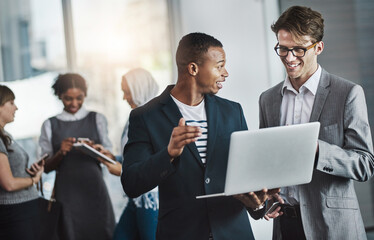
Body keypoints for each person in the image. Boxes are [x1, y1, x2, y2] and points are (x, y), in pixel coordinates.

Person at [120, 32, 279, 240]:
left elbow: (246, 175)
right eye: (219, 66)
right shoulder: (145, 117)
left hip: (234, 233)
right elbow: (131, 183)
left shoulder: (232, 112)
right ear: (193, 68)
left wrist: (259, 206)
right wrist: (168, 154)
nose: (226, 73)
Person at [260, 6, 374, 240]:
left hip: (334, 227)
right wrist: (266, 195)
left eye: (299, 49)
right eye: (282, 49)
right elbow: (267, 162)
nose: (289, 58)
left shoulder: (348, 93)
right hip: (285, 225)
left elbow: (365, 164)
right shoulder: (268, 99)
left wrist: (317, 149)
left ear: (318, 47)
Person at [39, 73, 115, 239]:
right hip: (67, 194)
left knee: (102, 232)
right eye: (68, 98)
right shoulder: (49, 125)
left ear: (85, 95)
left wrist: (97, 150)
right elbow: (45, 168)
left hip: (95, 190)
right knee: (70, 233)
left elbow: (112, 160)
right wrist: (61, 152)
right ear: (59, 96)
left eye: (79, 98)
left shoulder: (97, 119)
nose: (74, 103)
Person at [98, 68, 160, 240]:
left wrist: (123, 171)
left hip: (151, 199)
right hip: (136, 197)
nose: (124, 98)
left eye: (127, 92)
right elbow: (136, 155)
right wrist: (112, 157)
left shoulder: (156, 118)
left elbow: (159, 163)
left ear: (139, 89)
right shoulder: (136, 116)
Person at [0, 85, 44, 240]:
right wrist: (33, 179)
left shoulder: (5, 135)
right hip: (16, 212)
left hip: (23, 209)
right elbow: (9, 184)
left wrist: (27, 172)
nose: (16, 107)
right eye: (11, 102)